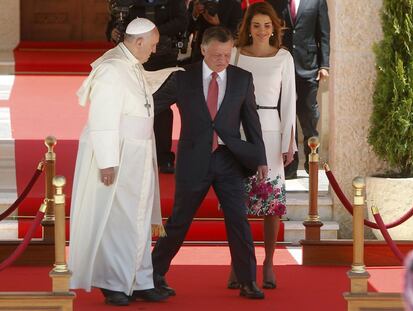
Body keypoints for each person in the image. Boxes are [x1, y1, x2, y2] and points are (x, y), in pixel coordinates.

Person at [69, 18, 180, 306]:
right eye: (152, 45)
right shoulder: (111, 69)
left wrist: (176, 73)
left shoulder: (130, 63)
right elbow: (102, 120)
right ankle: (114, 282)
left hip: (140, 154)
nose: (154, 51)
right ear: (139, 41)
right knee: (118, 220)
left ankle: (139, 279)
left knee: (139, 218)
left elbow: (142, 89)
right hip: (119, 155)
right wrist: (107, 161)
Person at [151, 26, 268, 299]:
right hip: (194, 160)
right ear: (203, 49)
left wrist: (260, 157)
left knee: (238, 220)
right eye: (217, 55)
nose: (222, 61)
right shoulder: (183, 79)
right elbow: (152, 107)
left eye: (227, 55)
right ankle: (153, 274)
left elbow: (252, 122)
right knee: (179, 220)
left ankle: (247, 280)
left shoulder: (242, 79)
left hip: (229, 160)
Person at [227, 1, 296, 290]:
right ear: (248, 27)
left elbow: (290, 100)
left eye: (267, 25)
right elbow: (226, 98)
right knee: (236, 203)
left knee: (271, 205)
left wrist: (288, 141)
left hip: (270, 128)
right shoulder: (236, 55)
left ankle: (268, 262)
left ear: (275, 27)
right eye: (256, 25)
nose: (261, 30)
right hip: (240, 131)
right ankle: (238, 263)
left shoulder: (284, 58)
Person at [106, 0, 188, 173]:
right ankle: (131, 153)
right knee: (132, 104)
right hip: (134, 55)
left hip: (164, 54)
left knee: (161, 106)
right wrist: (112, 32)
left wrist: (151, 32)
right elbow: (114, 23)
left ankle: (163, 156)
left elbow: (182, 21)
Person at [268, 0, 330, 179]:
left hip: (308, 66)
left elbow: (323, 33)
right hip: (280, 67)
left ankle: (312, 162)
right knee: (286, 116)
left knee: (309, 116)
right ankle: (289, 166)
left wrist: (324, 65)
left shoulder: (317, 1)